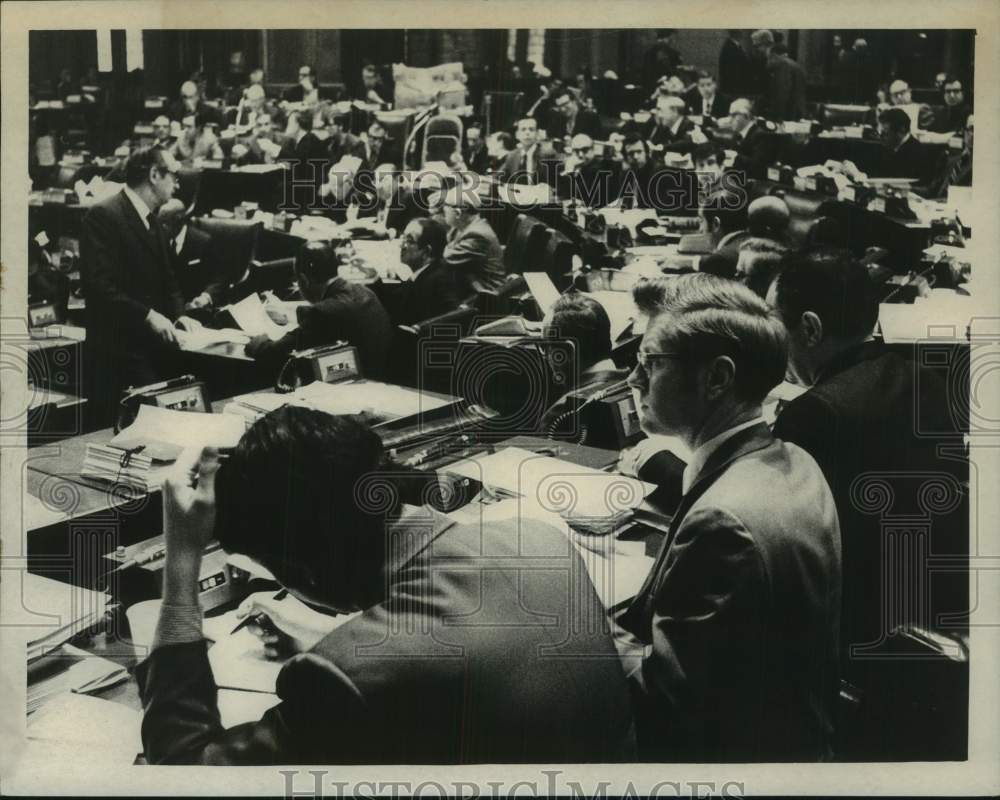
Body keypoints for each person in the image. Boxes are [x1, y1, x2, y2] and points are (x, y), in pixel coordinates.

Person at [137, 406, 637, 765]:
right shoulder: (537, 537)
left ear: (303, 571)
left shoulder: (341, 675)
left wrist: (182, 563)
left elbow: (183, 768)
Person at [616, 273, 841, 762]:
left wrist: (584, 612)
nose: (632, 381)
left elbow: (660, 704)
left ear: (716, 378)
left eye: (649, 363)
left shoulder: (722, 524)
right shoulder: (796, 460)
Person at [766, 250, 967, 738]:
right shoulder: (922, 377)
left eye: (774, 322)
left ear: (810, 329)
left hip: (853, 631)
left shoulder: (814, 414)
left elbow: (775, 532)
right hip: (927, 598)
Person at [80, 146, 188, 427]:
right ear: (154, 174)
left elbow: (170, 280)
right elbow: (100, 287)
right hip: (119, 353)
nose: (178, 183)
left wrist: (180, 315)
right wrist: (148, 315)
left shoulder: (154, 219)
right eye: (174, 175)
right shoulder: (104, 215)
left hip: (153, 348)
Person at [245, 240, 393, 379]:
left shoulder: (322, 313)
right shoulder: (364, 292)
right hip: (378, 378)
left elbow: (272, 352)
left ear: (304, 280)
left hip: (353, 387)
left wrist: (258, 340)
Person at [540, 293, 629, 440]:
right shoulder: (636, 385)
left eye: (545, 347)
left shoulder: (560, 415)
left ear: (567, 352)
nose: (544, 355)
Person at [384, 217, 468, 325]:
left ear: (426, 252)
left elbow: (455, 315)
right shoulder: (426, 271)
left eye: (409, 241)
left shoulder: (438, 281)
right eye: (403, 237)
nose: (401, 245)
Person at [439, 185, 506, 293]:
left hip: (485, 294)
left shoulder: (477, 235)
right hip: (471, 283)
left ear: (458, 213)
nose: (443, 211)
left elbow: (447, 258)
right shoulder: (464, 226)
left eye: (445, 207)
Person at [156, 198, 219, 312]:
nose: (160, 228)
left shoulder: (203, 242)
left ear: (179, 220)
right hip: (166, 307)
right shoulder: (158, 240)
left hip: (194, 307)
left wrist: (205, 297)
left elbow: (218, 278)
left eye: (165, 224)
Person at [750, 29, 806, 122]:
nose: (755, 51)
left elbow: (781, 96)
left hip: (786, 120)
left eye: (756, 46)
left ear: (766, 44)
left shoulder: (780, 65)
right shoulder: (791, 64)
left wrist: (773, 120)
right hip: (794, 117)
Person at [559, 133, 620, 209]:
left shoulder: (601, 168)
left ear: (593, 149)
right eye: (577, 151)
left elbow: (587, 197)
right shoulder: (577, 166)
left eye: (585, 150)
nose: (581, 154)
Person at [920, 113, 973, 199]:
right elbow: (931, 191)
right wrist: (907, 189)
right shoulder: (954, 159)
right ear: (965, 131)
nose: (973, 134)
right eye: (971, 129)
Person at [499, 117, 559, 185]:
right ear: (517, 135)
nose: (527, 133)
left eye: (531, 129)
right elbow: (499, 178)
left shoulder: (548, 155)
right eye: (523, 129)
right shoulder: (512, 156)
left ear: (537, 134)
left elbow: (557, 184)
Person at [874, 106, 927, 180]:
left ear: (901, 131)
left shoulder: (916, 152)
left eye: (885, 134)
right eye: (879, 134)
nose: (880, 138)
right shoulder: (890, 148)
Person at [727, 98, 771, 180]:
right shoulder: (737, 134)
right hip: (737, 179)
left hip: (753, 183)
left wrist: (735, 156)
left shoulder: (760, 135)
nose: (729, 120)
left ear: (745, 115)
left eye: (733, 115)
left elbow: (758, 166)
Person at [718, 30, 753, 97]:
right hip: (734, 88)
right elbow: (735, 70)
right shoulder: (730, 48)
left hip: (734, 88)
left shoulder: (733, 46)